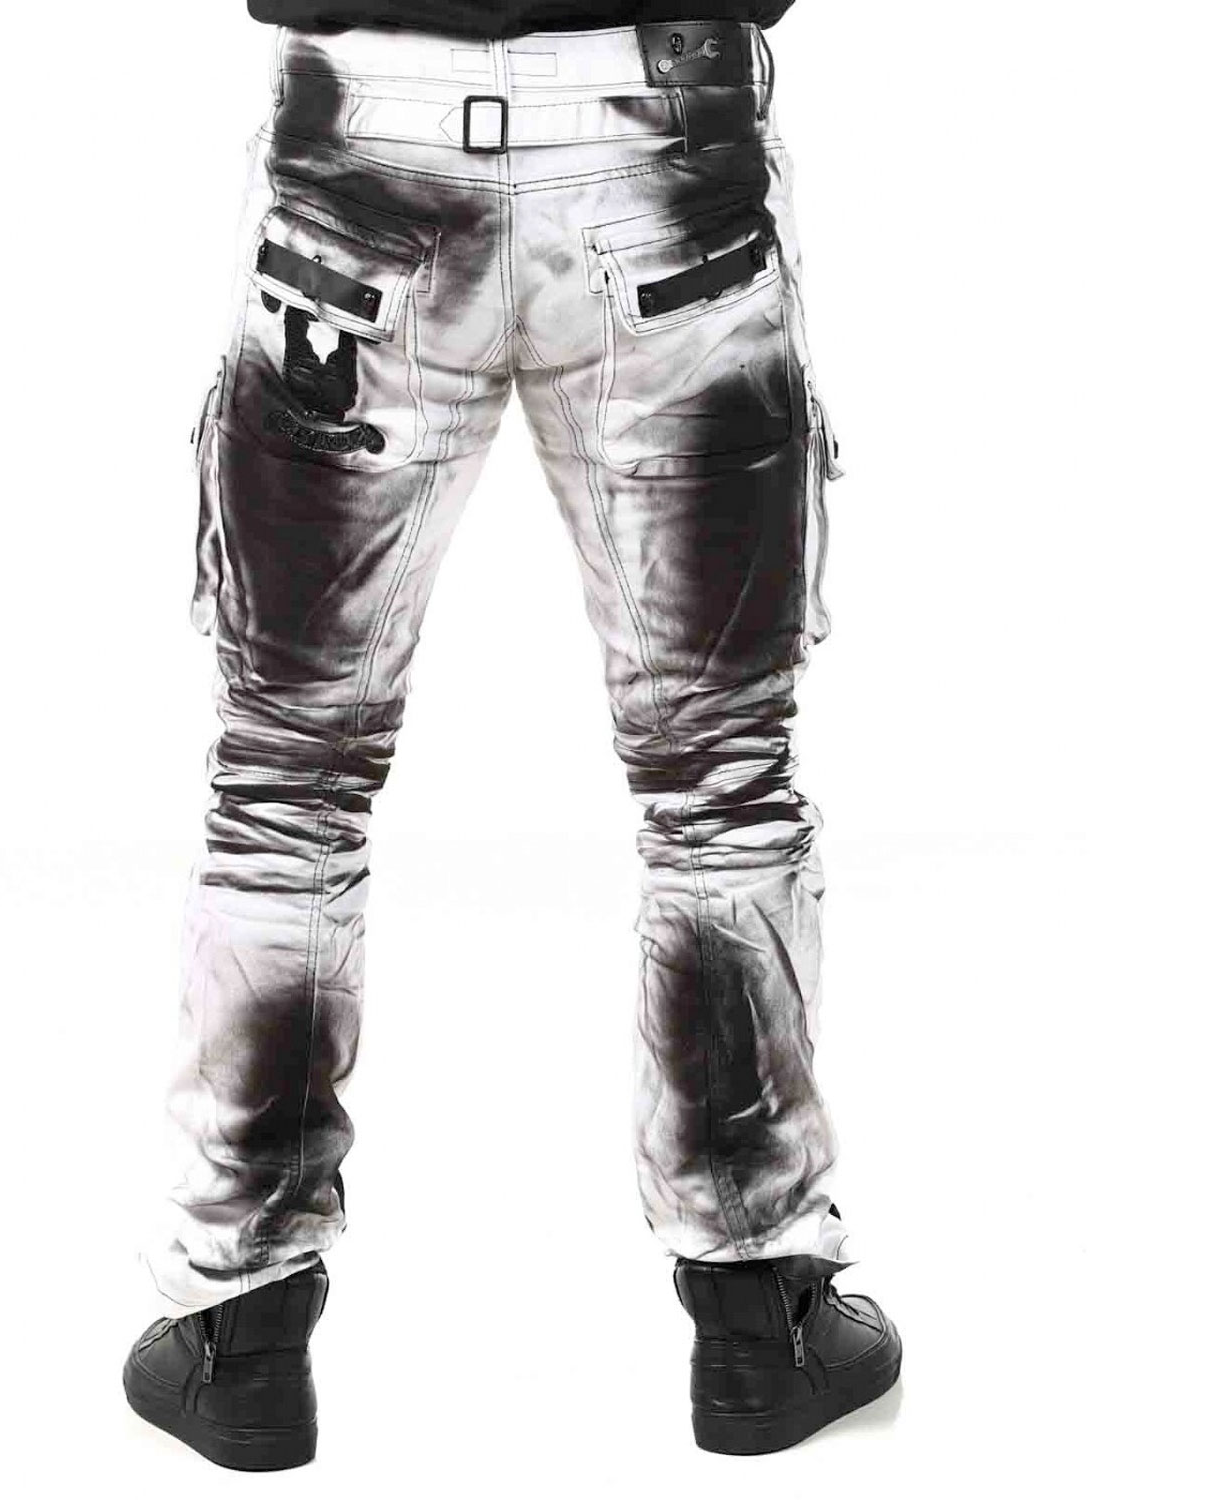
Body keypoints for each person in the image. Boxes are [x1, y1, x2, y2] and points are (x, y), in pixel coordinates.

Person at [122, 1, 901, 1469]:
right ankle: (759, 1319)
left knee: (287, 780)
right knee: (719, 778)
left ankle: (239, 1331)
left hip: (363, 144)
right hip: (662, 142)